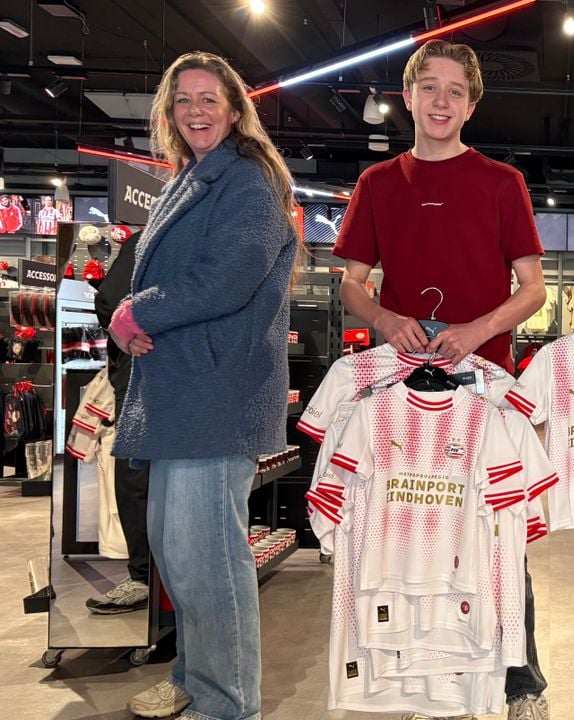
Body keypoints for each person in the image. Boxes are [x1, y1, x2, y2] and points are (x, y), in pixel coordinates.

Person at [332, 39, 549, 720]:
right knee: (405, 526)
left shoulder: (500, 182)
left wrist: (478, 330)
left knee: (496, 532)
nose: (442, 101)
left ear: (472, 104)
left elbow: (535, 289)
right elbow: (351, 285)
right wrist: (387, 317)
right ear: (409, 95)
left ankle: (520, 682)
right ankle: (413, 668)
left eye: (455, 90)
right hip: (399, 386)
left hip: (484, 385)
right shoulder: (378, 184)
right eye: (429, 86)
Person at [106, 51, 300, 720]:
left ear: (235, 108)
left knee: (210, 560)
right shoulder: (195, 178)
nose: (195, 109)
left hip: (217, 391)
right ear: (169, 111)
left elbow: (228, 278)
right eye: (183, 98)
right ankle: (194, 675)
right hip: (185, 392)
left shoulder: (247, 181)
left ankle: (227, 701)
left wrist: (139, 311)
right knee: (181, 555)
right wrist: (135, 320)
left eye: (208, 98)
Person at [84, 230, 150, 617]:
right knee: (143, 475)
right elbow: (112, 301)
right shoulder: (149, 240)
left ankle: (144, 577)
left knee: (137, 475)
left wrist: (128, 331)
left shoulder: (147, 237)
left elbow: (109, 300)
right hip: (161, 375)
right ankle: (148, 577)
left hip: (143, 371)